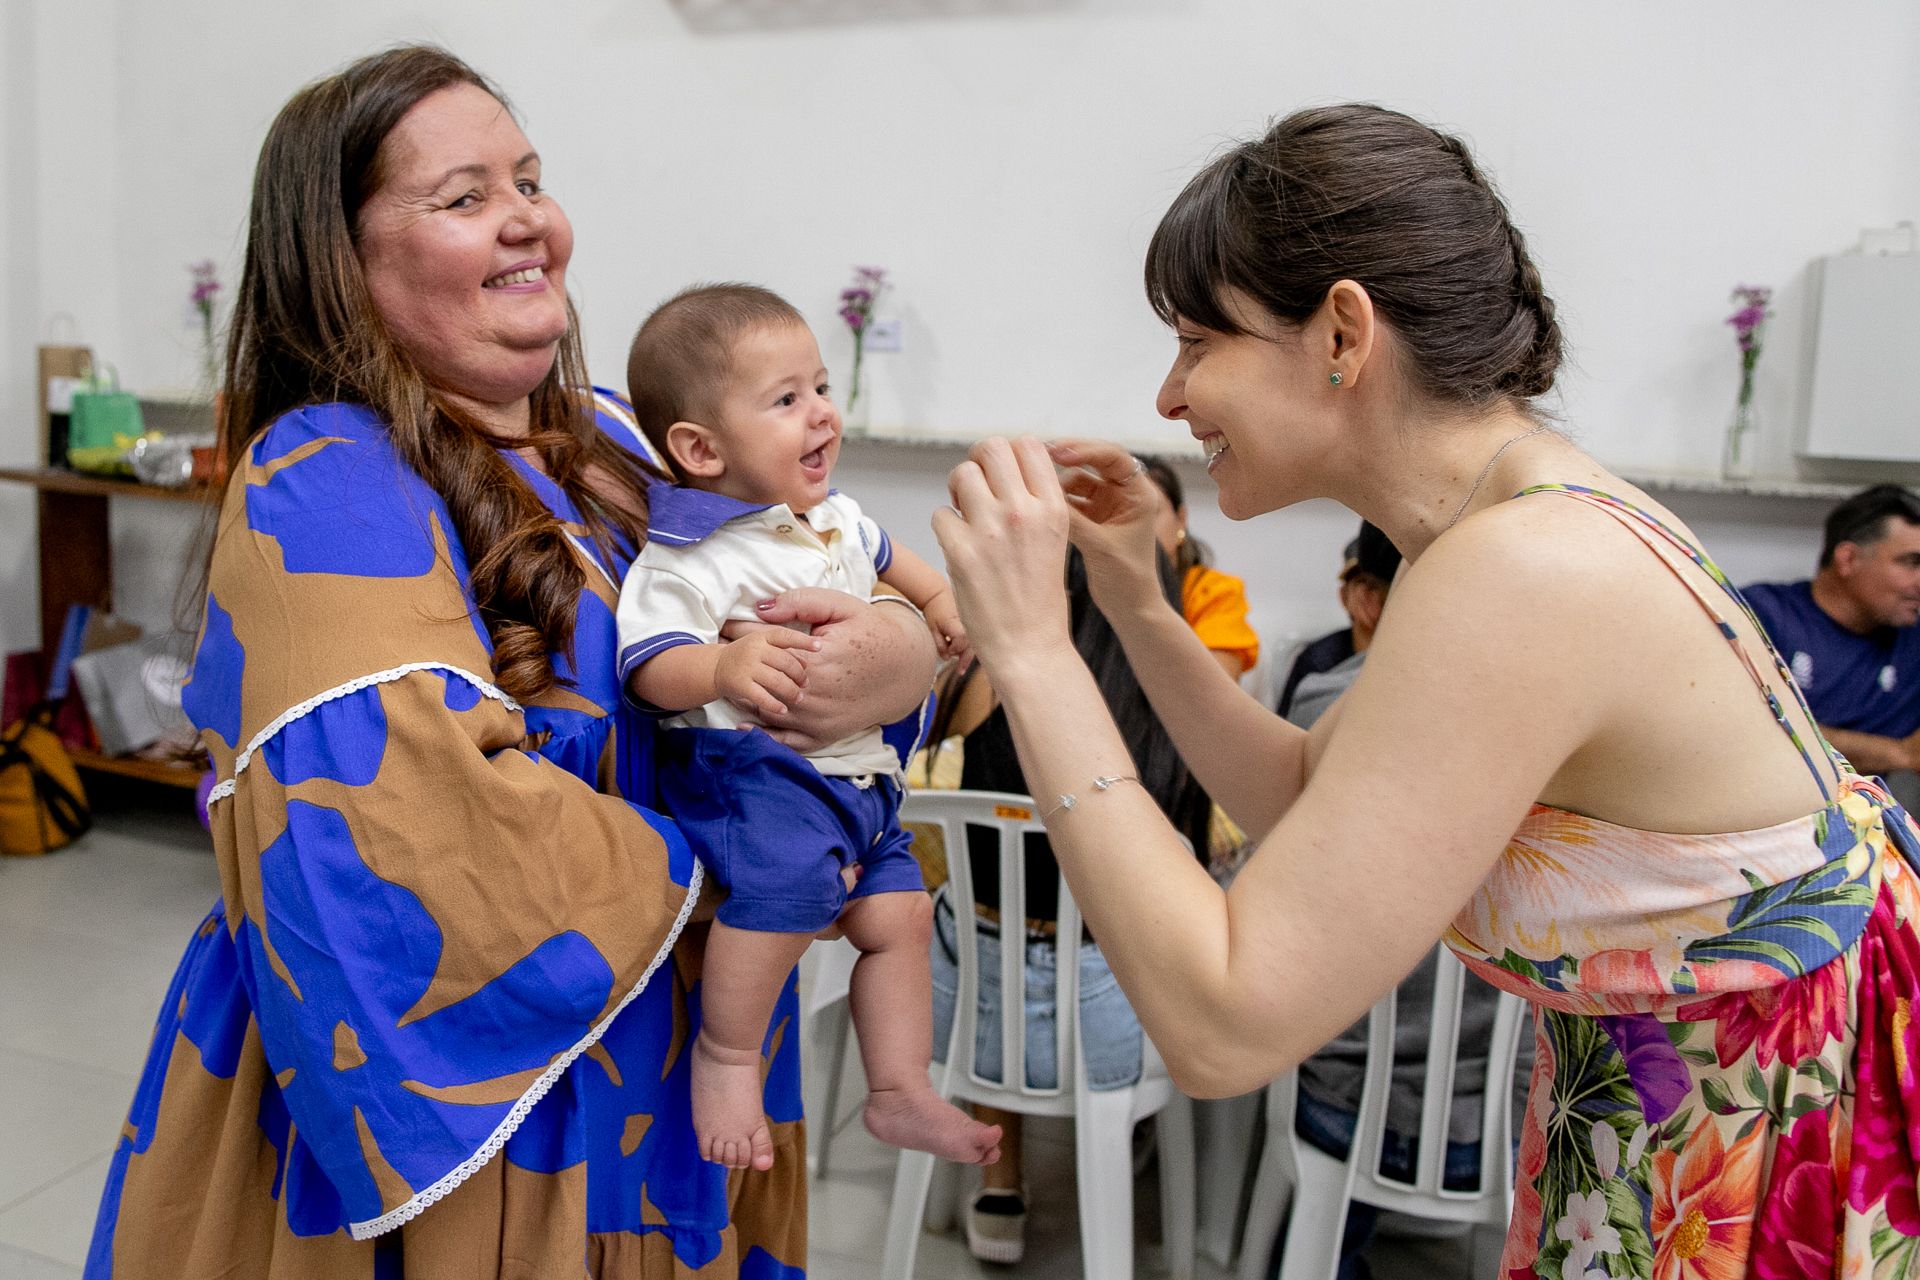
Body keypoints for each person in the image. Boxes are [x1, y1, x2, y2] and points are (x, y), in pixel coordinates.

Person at [931, 103, 1920, 1280]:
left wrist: (1037, 655)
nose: (1168, 395)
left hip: (1762, 1120)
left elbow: (1224, 1023)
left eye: (1199, 340)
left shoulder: (1523, 569)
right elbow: (1305, 789)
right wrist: (1136, 598)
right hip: (1686, 1097)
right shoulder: (1505, 530)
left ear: (1342, 331)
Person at [87, 47, 937, 1278]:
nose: (528, 218)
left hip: (674, 1068)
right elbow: (421, 827)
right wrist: (774, 860)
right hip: (493, 1120)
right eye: (466, 195)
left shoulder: (614, 433)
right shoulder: (325, 476)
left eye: (529, 180)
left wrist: (901, 653)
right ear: (342, 256)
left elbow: (857, 607)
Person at [618, 283, 999, 1174]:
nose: (822, 414)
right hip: (757, 776)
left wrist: (941, 604)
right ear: (700, 448)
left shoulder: (831, 517)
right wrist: (718, 667)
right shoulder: (690, 552)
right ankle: (725, 1054)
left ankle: (898, 1088)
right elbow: (647, 663)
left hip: (860, 782)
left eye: (821, 387)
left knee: (901, 913)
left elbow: (895, 561)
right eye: (786, 400)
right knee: (786, 893)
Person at [923, 547, 1211, 1265]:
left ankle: (1000, 1183)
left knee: (978, 917)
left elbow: (921, 751)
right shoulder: (1175, 696)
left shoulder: (993, 679)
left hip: (973, 1026)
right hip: (1109, 1028)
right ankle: (1135, 1148)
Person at [1280, 519, 1521, 1280]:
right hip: (1514, 1117)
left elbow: (1272, 892)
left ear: (1374, 597)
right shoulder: (1558, 713)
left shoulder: (1326, 700)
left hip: (1351, 1105)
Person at [1743, 485, 1920, 796]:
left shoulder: (1911, 641)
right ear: (1848, 559)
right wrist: (1899, 753)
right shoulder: (1761, 616)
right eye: (1911, 562)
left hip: (1860, 831)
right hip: (1756, 820)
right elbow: (1747, 731)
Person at [1139, 455, 1260, 681]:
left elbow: (1218, 689)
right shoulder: (1081, 587)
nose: (1137, 527)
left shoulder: (1214, 592)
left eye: (1150, 512)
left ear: (1181, 518)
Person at [1276, 520, 1401, 724]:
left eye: (1377, 585)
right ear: (1344, 596)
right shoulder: (1317, 660)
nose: (1367, 594)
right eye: (1361, 583)